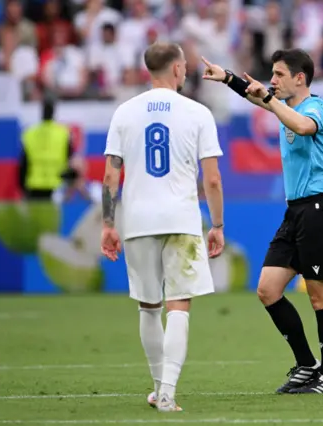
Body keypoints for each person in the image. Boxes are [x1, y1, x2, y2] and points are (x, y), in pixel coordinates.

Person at [201, 49, 323, 394]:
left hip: (319, 211)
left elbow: (301, 126)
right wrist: (229, 78)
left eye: (279, 74)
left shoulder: (316, 108)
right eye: (272, 73)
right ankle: (307, 364)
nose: (273, 80)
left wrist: (268, 99)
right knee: (267, 289)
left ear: (300, 78)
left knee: (320, 298)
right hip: (295, 212)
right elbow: (263, 101)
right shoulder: (285, 107)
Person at [100, 41, 225, 412]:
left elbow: (110, 174)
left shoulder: (124, 112)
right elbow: (213, 179)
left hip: (137, 221)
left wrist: (108, 224)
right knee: (179, 307)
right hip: (182, 221)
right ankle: (168, 391)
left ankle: (158, 387)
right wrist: (217, 224)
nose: (186, 71)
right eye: (184, 66)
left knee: (148, 308)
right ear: (174, 69)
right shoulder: (198, 112)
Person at [18, 98, 73, 200]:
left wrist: (22, 186)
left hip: (34, 185)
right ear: (54, 112)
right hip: (57, 185)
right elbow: (70, 159)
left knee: (36, 216)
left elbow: (23, 163)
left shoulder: (29, 133)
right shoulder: (63, 133)